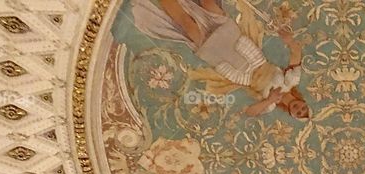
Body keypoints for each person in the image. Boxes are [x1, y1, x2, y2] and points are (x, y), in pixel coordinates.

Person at [132, 0, 310, 119]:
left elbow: (249, 112)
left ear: (291, 113)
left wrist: (270, 100)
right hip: (248, 53)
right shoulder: (291, 81)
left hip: (234, 68)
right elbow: (296, 54)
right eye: (303, 108)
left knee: (187, 24)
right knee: (209, 3)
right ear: (303, 101)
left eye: (298, 113)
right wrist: (289, 41)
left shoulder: (271, 105)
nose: (299, 109)